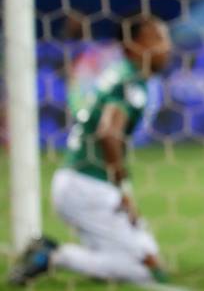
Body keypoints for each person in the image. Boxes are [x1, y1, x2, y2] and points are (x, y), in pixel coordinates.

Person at [8, 16, 173, 286]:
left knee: (149, 260)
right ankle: (53, 256)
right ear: (131, 45)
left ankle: (86, 261)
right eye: (156, 39)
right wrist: (123, 187)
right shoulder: (129, 81)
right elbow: (109, 131)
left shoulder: (122, 75)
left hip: (78, 181)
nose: (166, 47)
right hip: (89, 186)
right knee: (145, 271)